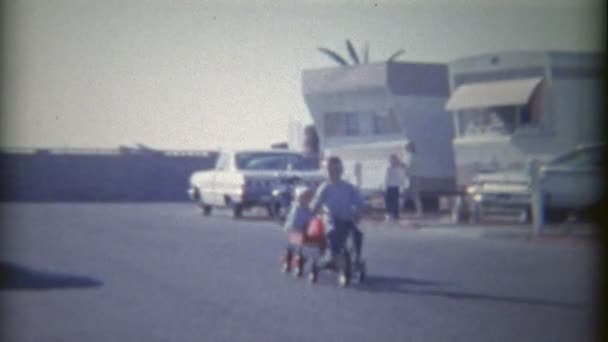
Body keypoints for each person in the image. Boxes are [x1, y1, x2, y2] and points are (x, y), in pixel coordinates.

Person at [311, 156, 365, 265]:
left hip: (347, 219)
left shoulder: (348, 187)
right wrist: (317, 209)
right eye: (330, 170)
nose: (333, 173)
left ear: (341, 171)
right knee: (333, 231)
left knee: (357, 233)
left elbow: (359, 201)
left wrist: (359, 211)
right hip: (331, 220)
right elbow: (315, 203)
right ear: (325, 172)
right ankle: (331, 253)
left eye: (337, 170)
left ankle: (356, 256)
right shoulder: (324, 188)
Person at [281, 186, 316, 273]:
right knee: (293, 247)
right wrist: (299, 228)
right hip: (295, 230)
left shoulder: (309, 210)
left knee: (305, 247)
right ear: (299, 198)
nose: (306, 200)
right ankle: (288, 261)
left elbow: (312, 219)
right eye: (304, 197)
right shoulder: (296, 209)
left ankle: (301, 261)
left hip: (305, 231)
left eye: (308, 198)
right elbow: (294, 222)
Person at [384, 154, 408, 222]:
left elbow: (401, 179)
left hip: (394, 187)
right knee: (391, 201)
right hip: (391, 187)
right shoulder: (392, 168)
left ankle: (393, 215)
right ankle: (392, 215)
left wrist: (402, 188)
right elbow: (387, 179)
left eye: (392, 160)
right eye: (390, 160)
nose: (390, 161)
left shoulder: (397, 169)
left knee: (393, 202)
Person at [402, 142, 423, 217]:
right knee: (414, 195)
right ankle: (419, 211)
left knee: (409, 194)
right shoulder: (414, 156)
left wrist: (399, 164)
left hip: (412, 177)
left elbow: (406, 166)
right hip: (414, 177)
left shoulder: (409, 156)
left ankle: (419, 212)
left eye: (406, 147)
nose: (405, 148)